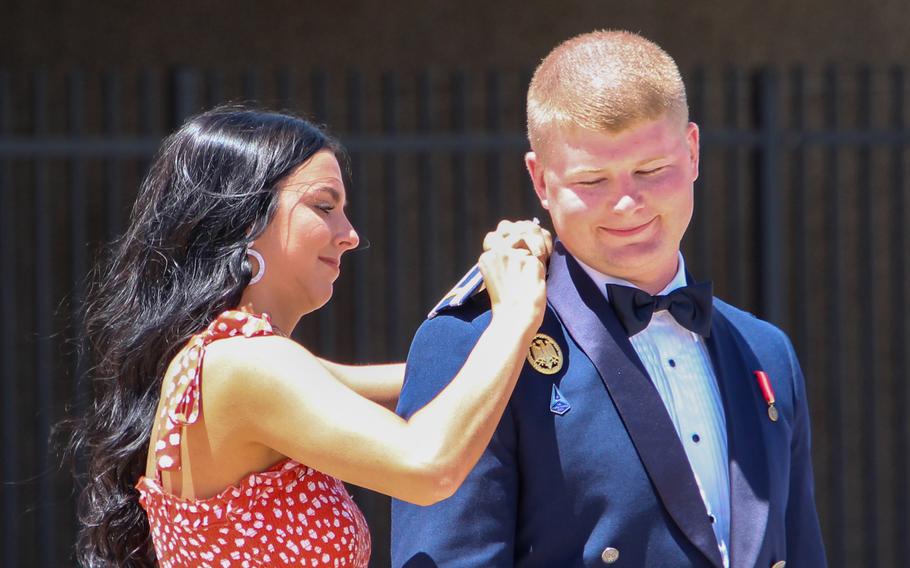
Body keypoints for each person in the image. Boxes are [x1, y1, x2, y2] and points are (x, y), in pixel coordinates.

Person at [392, 30, 827, 568]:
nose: (628, 203)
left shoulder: (768, 352)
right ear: (541, 180)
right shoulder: (473, 343)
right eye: (593, 180)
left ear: (692, 151)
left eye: (651, 170)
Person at [67, 106, 553, 567]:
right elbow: (428, 465)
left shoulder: (226, 356)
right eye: (324, 207)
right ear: (244, 221)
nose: (351, 235)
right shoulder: (243, 365)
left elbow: (418, 382)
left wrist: (513, 346)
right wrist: (513, 315)